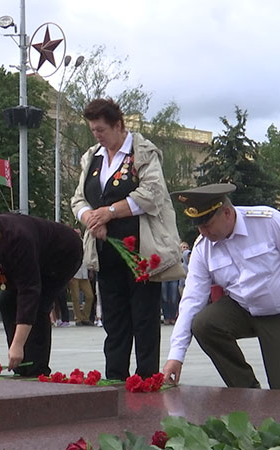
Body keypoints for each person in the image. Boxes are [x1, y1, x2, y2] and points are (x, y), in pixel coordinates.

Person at [162, 184, 280, 392]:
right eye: (199, 227)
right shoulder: (204, 247)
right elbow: (191, 300)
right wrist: (176, 356)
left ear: (227, 213)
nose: (203, 232)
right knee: (204, 324)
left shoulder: (268, 222)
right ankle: (246, 390)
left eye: (208, 225)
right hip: (243, 309)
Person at [70, 98, 183, 381]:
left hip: (141, 252)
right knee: (114, 321)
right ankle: (116, 379)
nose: (97, 135)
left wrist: (109, 213)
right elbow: (78, 199)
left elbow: (152, 194)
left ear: (118, 125)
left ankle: (147, 379)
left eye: (101, 129)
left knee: (144, 320)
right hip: (106, 251)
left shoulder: (141, 152)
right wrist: (90, 219)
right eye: (93, 130)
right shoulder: (92, 157)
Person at [0, 206, 82, 377]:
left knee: (38, 306)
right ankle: (20, 365)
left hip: (61, 256)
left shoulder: (16, 238)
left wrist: (18, 344)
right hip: (30, 261)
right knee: (6, 304)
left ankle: (36, 370)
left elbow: (29, 292)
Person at [69, 228, 95, 326]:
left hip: (84, 273)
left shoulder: (84, 243)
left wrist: (91, 270)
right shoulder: (70, 244)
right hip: (74, 273)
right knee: (75, 297)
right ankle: (78, 318)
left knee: (90, 296)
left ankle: (85, 317)